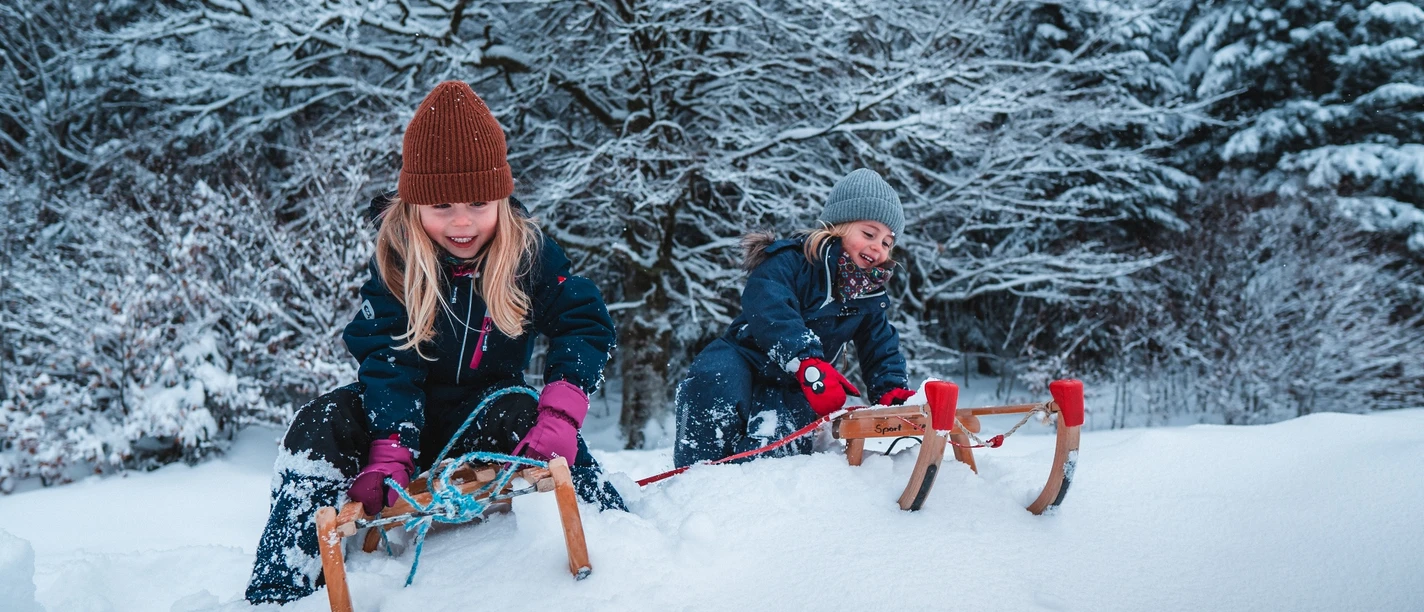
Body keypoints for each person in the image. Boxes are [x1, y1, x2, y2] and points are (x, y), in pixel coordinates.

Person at [246, 80, 623, 604]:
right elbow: (387, 357)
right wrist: (390, 444)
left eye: (478, 202)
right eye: (442, 204)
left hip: (488, 413)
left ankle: (611, 528)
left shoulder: (527, 256)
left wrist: (560, 415)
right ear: (414, 203)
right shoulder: (397, 262)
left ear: (503, 198)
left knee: (526, 410)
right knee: (320, 422)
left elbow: (583, 322)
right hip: (403, 420)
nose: (462, 220)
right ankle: (282, 581)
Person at [673, 168, 915, 468]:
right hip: (746, 356)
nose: (878, 248)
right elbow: (768, 302)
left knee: (774, 443)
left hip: (797, 385)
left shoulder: (865, 296)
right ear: (838, 226)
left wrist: (890, 389)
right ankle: (695, 473)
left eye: (887, 243)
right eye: (869, 234)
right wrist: (805, 358)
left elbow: (880, 346)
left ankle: (752, 498)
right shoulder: (793, 260)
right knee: (715, 380)